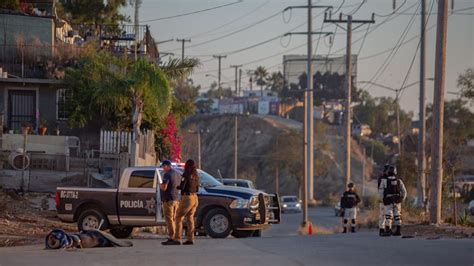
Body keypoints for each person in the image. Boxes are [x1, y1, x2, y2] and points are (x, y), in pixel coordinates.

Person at [173, 159, 200, 245]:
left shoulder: (186, 174)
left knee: (178, 217)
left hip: (187, 198)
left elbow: (182, 186)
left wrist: (178, 187)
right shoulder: (196, 175)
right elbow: (197, 189)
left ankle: (177, 238)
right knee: (190, 218)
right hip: (195, 197)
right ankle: (190, 238)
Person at [379, 165, 407, 236]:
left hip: (388, 200)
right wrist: (401, 199)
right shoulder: (399, 181)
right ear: (395, 172)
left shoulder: (384, 181)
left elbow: (381, 192)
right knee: (397, 215)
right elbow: (404, 192)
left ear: (388, 172)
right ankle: (398, 231)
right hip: (397, 200)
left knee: (388, 215)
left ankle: (388, 230)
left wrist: (382, 199)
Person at [160, 160, 182, 245]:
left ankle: (172, 237)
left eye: (163, 166)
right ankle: (176, 236)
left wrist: (160, 185)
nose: (163, 168)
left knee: (169, 219)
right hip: (176, 199)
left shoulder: (167, 174)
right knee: (175, 219)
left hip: (169, 199)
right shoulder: (177, 173)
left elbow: (164, 188)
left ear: (167, 166)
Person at [378, 164, 390, 236]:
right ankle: (383, 229)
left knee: (385, 215)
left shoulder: (382, 178)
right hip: (384, 199)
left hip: (386, 199)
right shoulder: (383, 179)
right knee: (383, 215)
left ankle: (385, 229)